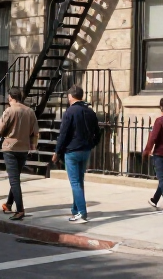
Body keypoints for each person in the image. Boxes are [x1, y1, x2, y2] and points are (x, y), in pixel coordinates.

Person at [53, 83, 101, 223]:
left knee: (75, 182)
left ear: (70, 96)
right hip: (85, 150)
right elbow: (97, 133)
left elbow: (63, 134)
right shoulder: (90, 111)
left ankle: (81, 212)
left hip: (72, 151)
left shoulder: (70, 112)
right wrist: (92, 144)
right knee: (79, 181)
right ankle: (75, 210)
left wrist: (57, 151)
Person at [0, 86, 39, 222]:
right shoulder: (30, 111)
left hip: (10, 148)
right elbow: (35, 132)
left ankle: (20, 210)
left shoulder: (9, 110)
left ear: (10, 97)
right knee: (16, 178)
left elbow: (0, 130)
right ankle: (8, 204)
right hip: (24, 148)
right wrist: (33, 145)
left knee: (14, 180)